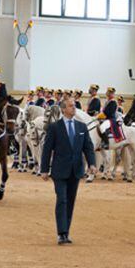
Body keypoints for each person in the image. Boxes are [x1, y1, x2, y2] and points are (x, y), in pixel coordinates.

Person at [40, 98, 97, 245]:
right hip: (59, 170)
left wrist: (92, 163)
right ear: (63, 109)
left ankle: (66, 232)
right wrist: (44, 169)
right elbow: (47, 149)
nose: (74, 108)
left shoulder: (81, 127)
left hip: (76, 170)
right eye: (71, 106)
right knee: (62, 200)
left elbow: (88, 147)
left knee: (70, 201)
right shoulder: (54, 127)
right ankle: (61, 233)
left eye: (74, 106)